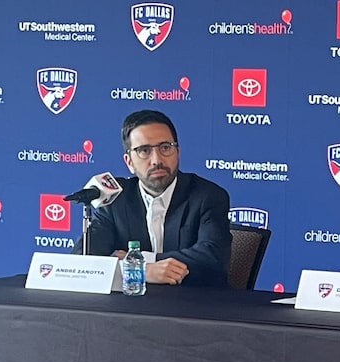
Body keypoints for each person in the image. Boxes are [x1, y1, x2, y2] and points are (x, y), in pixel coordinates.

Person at [75, 109, 231, 287]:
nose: (156, 160)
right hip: (129, 308)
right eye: (144, 150)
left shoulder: (207, 196)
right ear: (129, 162)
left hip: (193, 305)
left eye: (165, 147)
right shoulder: (115, 198)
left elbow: (212, 257)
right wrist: (143, 270)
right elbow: (83, 259)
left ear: (177, 152)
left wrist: (140, 262)